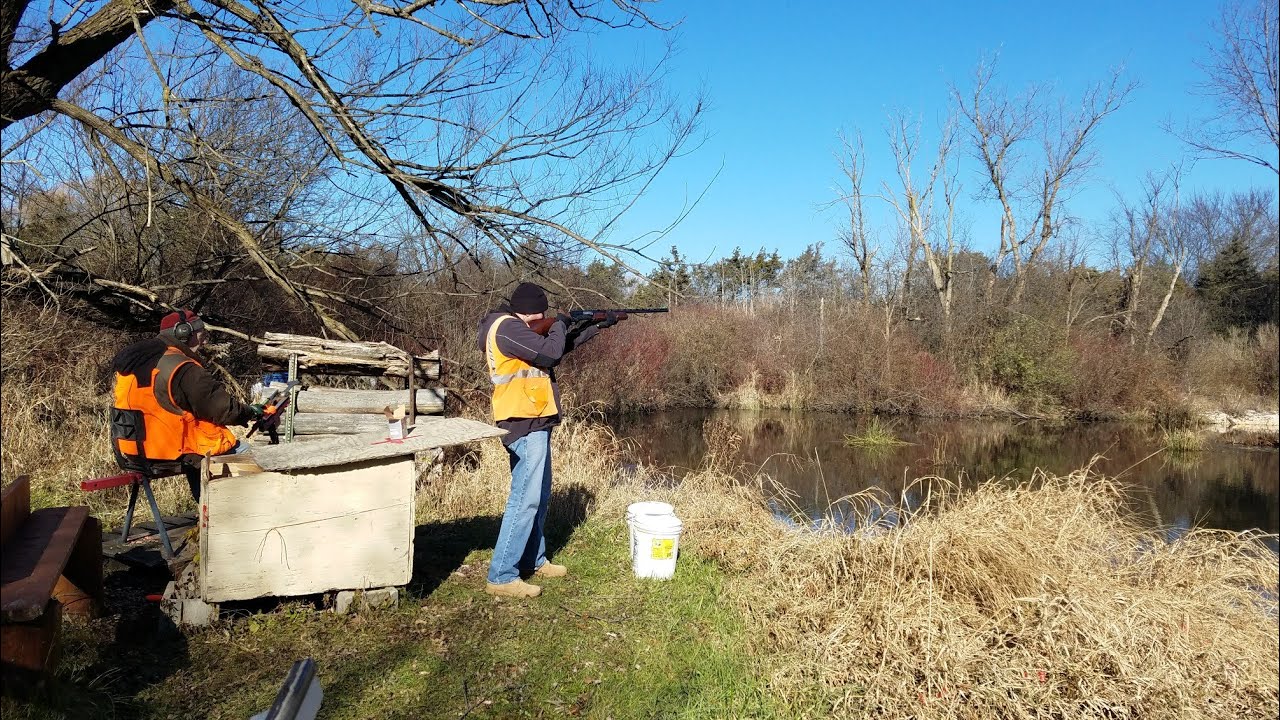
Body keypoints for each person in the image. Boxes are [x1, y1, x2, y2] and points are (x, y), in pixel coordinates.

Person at [478, 282, 618, 598]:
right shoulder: (507, 329)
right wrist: (562, 322)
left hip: (535, 417)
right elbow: (551, 353)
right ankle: (501, 575)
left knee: (538, 495)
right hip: (522, 422)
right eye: (543, 312)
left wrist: (595, 327)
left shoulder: (518, 329)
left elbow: (559, 347)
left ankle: (533, 559)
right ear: (532, 311)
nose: (546, 316)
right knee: (524, 499)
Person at [110, 309, 261, 502]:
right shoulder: (182, 367)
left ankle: (207, 510)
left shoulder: (138, 361)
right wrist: (249, 412)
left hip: (135, 452)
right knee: (249, 455)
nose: (204, 341)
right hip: (171, 451)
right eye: (202, 334)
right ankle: (222, 517)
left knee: (199, 444)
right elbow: (223, 409)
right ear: (184, 332)